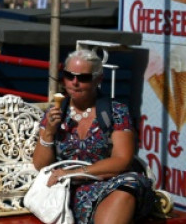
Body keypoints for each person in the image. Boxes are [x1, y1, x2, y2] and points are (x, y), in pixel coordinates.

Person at [33, 49, 155, 224]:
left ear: (98, 79)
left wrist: (74, 173)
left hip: (111, 181)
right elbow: (40, 165)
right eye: (69, 76)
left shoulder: (116, 111)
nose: (75, 83)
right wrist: (49, 132)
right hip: (70, 190)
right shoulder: (55, 113)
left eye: (83, 78)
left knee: (129, 185)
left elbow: (122, 160)